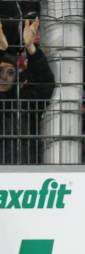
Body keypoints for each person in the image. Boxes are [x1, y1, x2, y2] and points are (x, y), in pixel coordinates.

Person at [0, 16, 54, 164]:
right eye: (0, 71)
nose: (4, 77)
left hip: (26, 170)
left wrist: (31, 50)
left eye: (10, 72)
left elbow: (45, 84)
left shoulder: (24, 100)